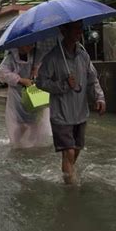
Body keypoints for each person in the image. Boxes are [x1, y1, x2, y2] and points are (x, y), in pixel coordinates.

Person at [36, 21, 106, 184]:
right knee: (68, 152)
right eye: (75, 28)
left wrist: (99, 97)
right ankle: (72, 192)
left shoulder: (83, 55)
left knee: (75, 151)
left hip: (80, 113)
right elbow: (40, 82)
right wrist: (63, 85)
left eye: (80, 28)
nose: (79, 32)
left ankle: (67, 177)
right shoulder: (52, 58)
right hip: (61, 115)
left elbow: (92, 79)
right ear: (63, 30)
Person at [0, 45, 52, 149]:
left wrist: (37, 70)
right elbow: (2, 73)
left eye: (32, 43)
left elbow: (45, 67)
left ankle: (33, 145)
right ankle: (17, 144)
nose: (30, 45)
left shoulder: (37, 54)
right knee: (20, 122)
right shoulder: (11, 58)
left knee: (36, 119)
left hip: (34, 91)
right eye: (28, 43)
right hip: (17, 95)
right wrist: (20, 80)